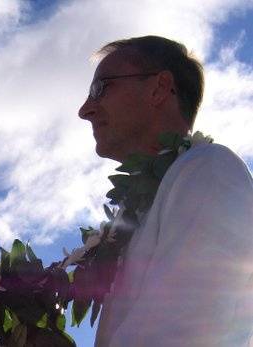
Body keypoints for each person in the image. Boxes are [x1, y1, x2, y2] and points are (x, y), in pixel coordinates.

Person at [78, 36, 253, 346]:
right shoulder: (140, 209)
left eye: (100, 88)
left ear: (159, 88)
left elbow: (184, 330)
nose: (85, 109)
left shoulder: (209, 169)